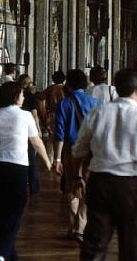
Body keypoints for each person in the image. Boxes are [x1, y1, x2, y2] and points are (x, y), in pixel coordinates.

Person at [71, 69, 137, 260]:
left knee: (95, 243)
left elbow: (78, 151)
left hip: (99, 182)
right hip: (129, 185)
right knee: (131, 242)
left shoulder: (97, 113)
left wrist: (76, 177)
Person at [0, 81, 52, 261]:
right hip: (18, 167)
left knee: (2, 210)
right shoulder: (26, 116)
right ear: (15, 96)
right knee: (17, 209)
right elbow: (36, 142)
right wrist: (48, 161)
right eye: (21, 95)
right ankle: (0, 250)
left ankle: (10, 255)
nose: (23, 98)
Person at [54, 69, 100, 243]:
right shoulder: (95, 103)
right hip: (91, 150)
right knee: (87, 187)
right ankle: (81, 226)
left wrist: (56, 159)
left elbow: (59, 134)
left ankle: (71, 226)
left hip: (71, 150)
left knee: (71, 187)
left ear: (69, 84)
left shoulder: (64, 103)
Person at [18, 74, 42, 196]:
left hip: (17, 128)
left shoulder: (15, 95)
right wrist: (38, 130)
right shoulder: (31, 97)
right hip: (29, 128)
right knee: (31, 158)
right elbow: (34, 115)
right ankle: (34, 187)